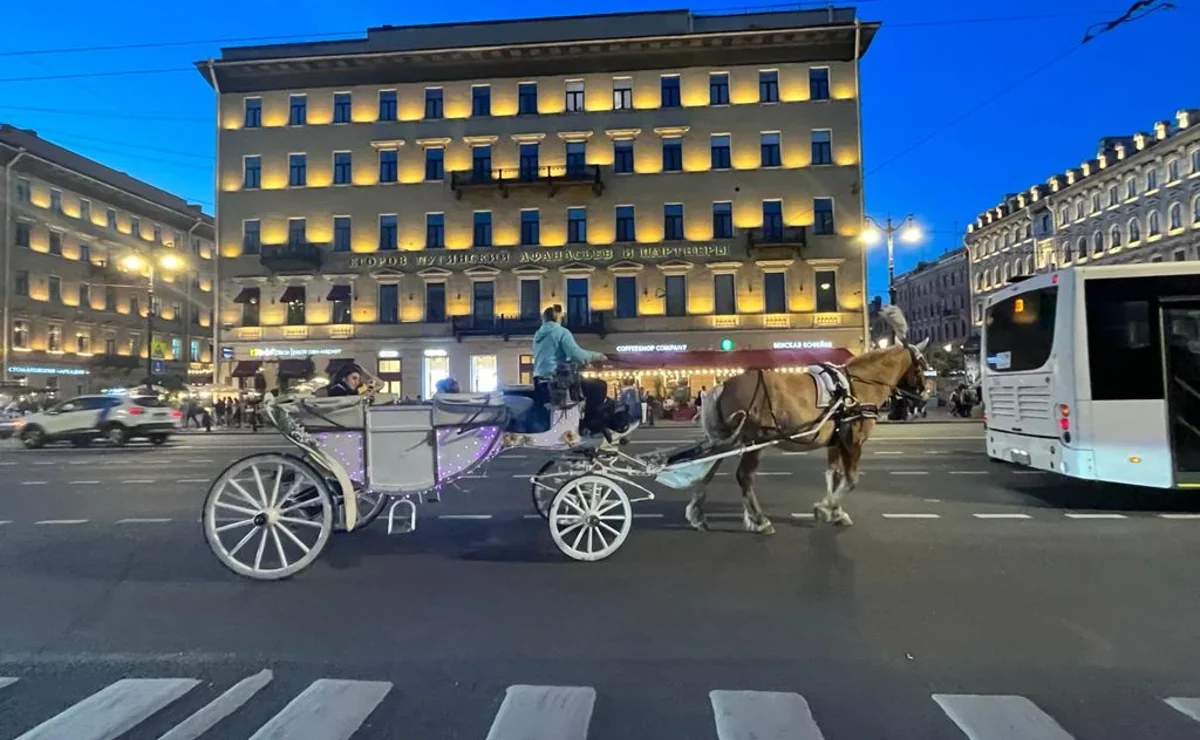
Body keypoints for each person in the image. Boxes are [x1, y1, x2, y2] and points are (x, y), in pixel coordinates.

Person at [532, 305, 613, 435]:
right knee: (598, 386)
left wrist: (573, 363)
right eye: (562, 317)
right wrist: (597, 356)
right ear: (558, 317)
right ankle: (587, 425)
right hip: (557, 381)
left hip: (539, 380)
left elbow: (555, 357)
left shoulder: (538, 335)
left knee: (583, 386)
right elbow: (576, 354)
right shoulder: (561, 332)